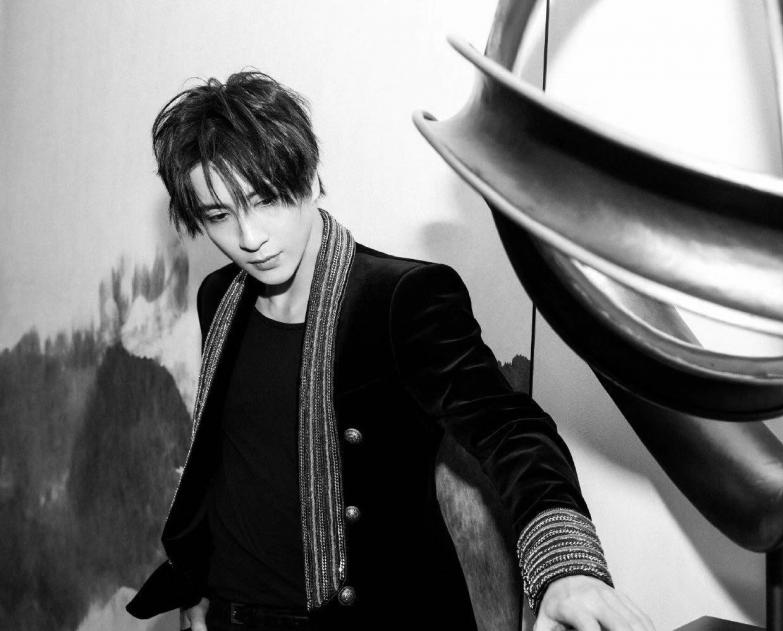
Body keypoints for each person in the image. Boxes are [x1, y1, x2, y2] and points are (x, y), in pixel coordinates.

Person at [126, 71, 653, 631]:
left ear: (307, 177)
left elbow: (511, 430)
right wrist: (200, 585)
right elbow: (232, 465)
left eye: (266, 200)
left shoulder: (401, 298)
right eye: (219, 215)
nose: (249, 237)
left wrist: (567, 567)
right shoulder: (220, 297)